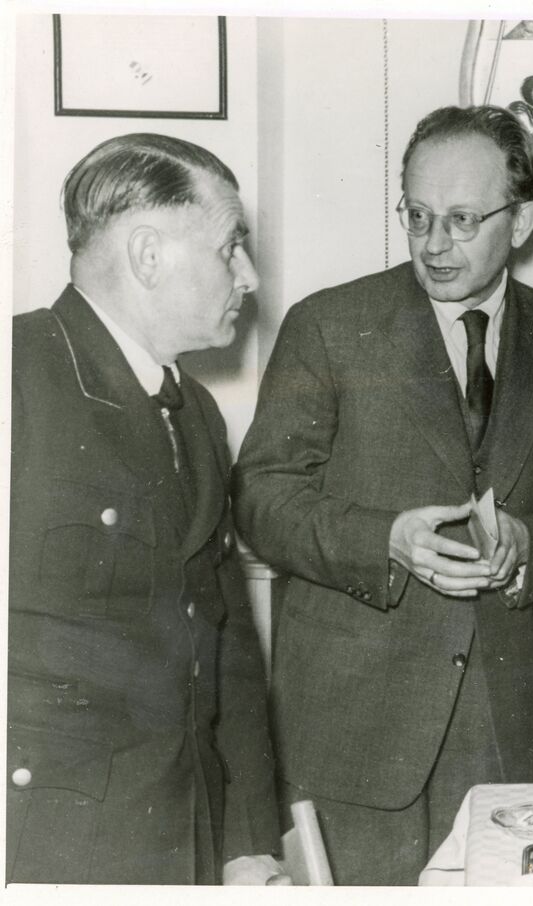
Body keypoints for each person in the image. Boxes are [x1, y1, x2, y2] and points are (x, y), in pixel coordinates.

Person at [235, 105, 533, 885]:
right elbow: (260, 496)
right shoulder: (329, 327)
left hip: (495, 722)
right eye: (417, 216)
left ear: (521, 222)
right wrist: (385, 539)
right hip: (352, 724)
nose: (433, 243)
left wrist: (530, 544)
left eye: (462, 220)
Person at [8, 134, 282, 884]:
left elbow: (227, 643)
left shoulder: (194, 412)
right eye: (229, 248)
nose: (250, 277)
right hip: (47, 846)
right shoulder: (19, 376)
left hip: (181, 837)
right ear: (148, 255)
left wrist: (247, 840)